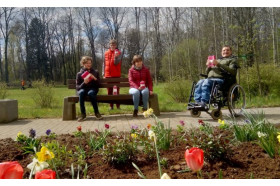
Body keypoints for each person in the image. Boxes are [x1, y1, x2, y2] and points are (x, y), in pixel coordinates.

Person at [76, 56, 103, 121]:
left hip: (92, 89)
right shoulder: (79, 74)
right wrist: (84, 83)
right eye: (87, 63)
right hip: (83, 89)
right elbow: (77, 87)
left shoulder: (95, 72)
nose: (89, 64)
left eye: (90, 63)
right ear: (83, 64)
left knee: (91, 93)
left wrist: (95, 78)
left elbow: (99, 84)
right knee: (81, 93)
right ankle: (83, 114)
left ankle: (97, 113)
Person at [104, 39, 123, 110]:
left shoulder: (119, 53)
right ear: (109, 45)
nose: (112, 46)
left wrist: (116, 56)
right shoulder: (106, 53)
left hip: (116, 75)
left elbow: (116, 63)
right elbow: (104, 64)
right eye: (111, 44)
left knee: (116, 90)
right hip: (108, 75)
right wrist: (104, 73)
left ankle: (118, 106)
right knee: (109, 91)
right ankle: (111, 106)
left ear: (116, 45)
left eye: (114, 45)